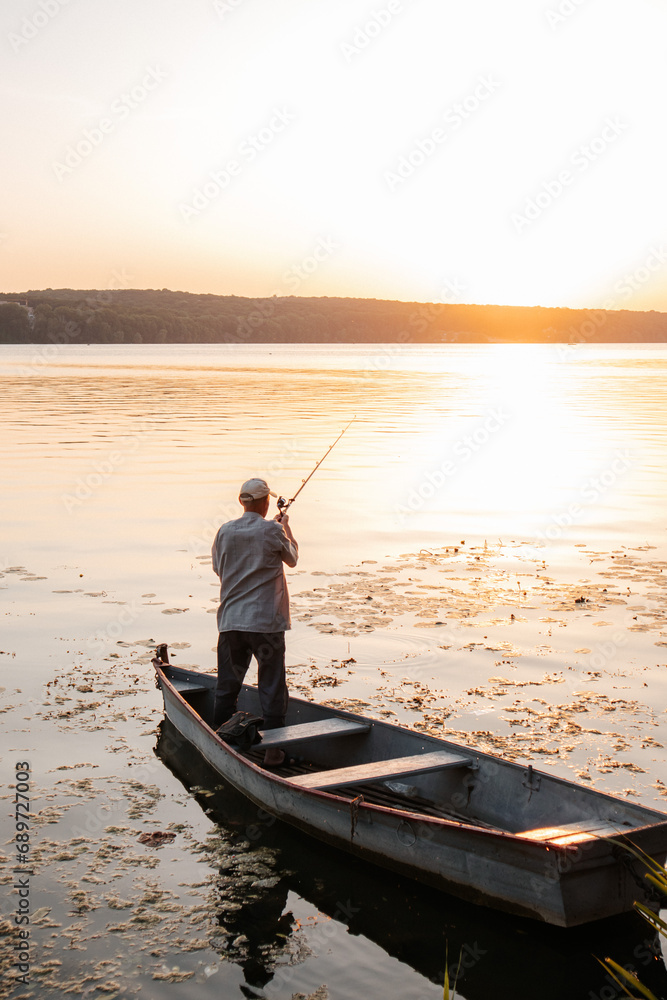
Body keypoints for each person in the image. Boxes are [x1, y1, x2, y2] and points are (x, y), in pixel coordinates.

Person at [212, 477, 298, 766]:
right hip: (266, 625)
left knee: (227, 685)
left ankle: (219, 742)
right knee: (272, 685)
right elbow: (293, 558)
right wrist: (285, 526)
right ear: (263, 503)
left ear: (241, 502)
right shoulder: (272, 530)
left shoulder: (224, 531)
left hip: (232, 621)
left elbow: (217, 567)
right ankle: (273, 752)